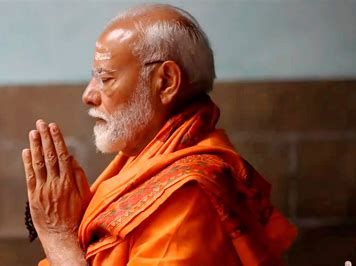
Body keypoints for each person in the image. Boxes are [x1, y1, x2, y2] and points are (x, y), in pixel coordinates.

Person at [21, 4, 297, 266]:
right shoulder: (144, 159)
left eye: (105, 79)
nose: (88, 95)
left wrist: (58, 235)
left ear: (165, 82)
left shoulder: (188, 194)